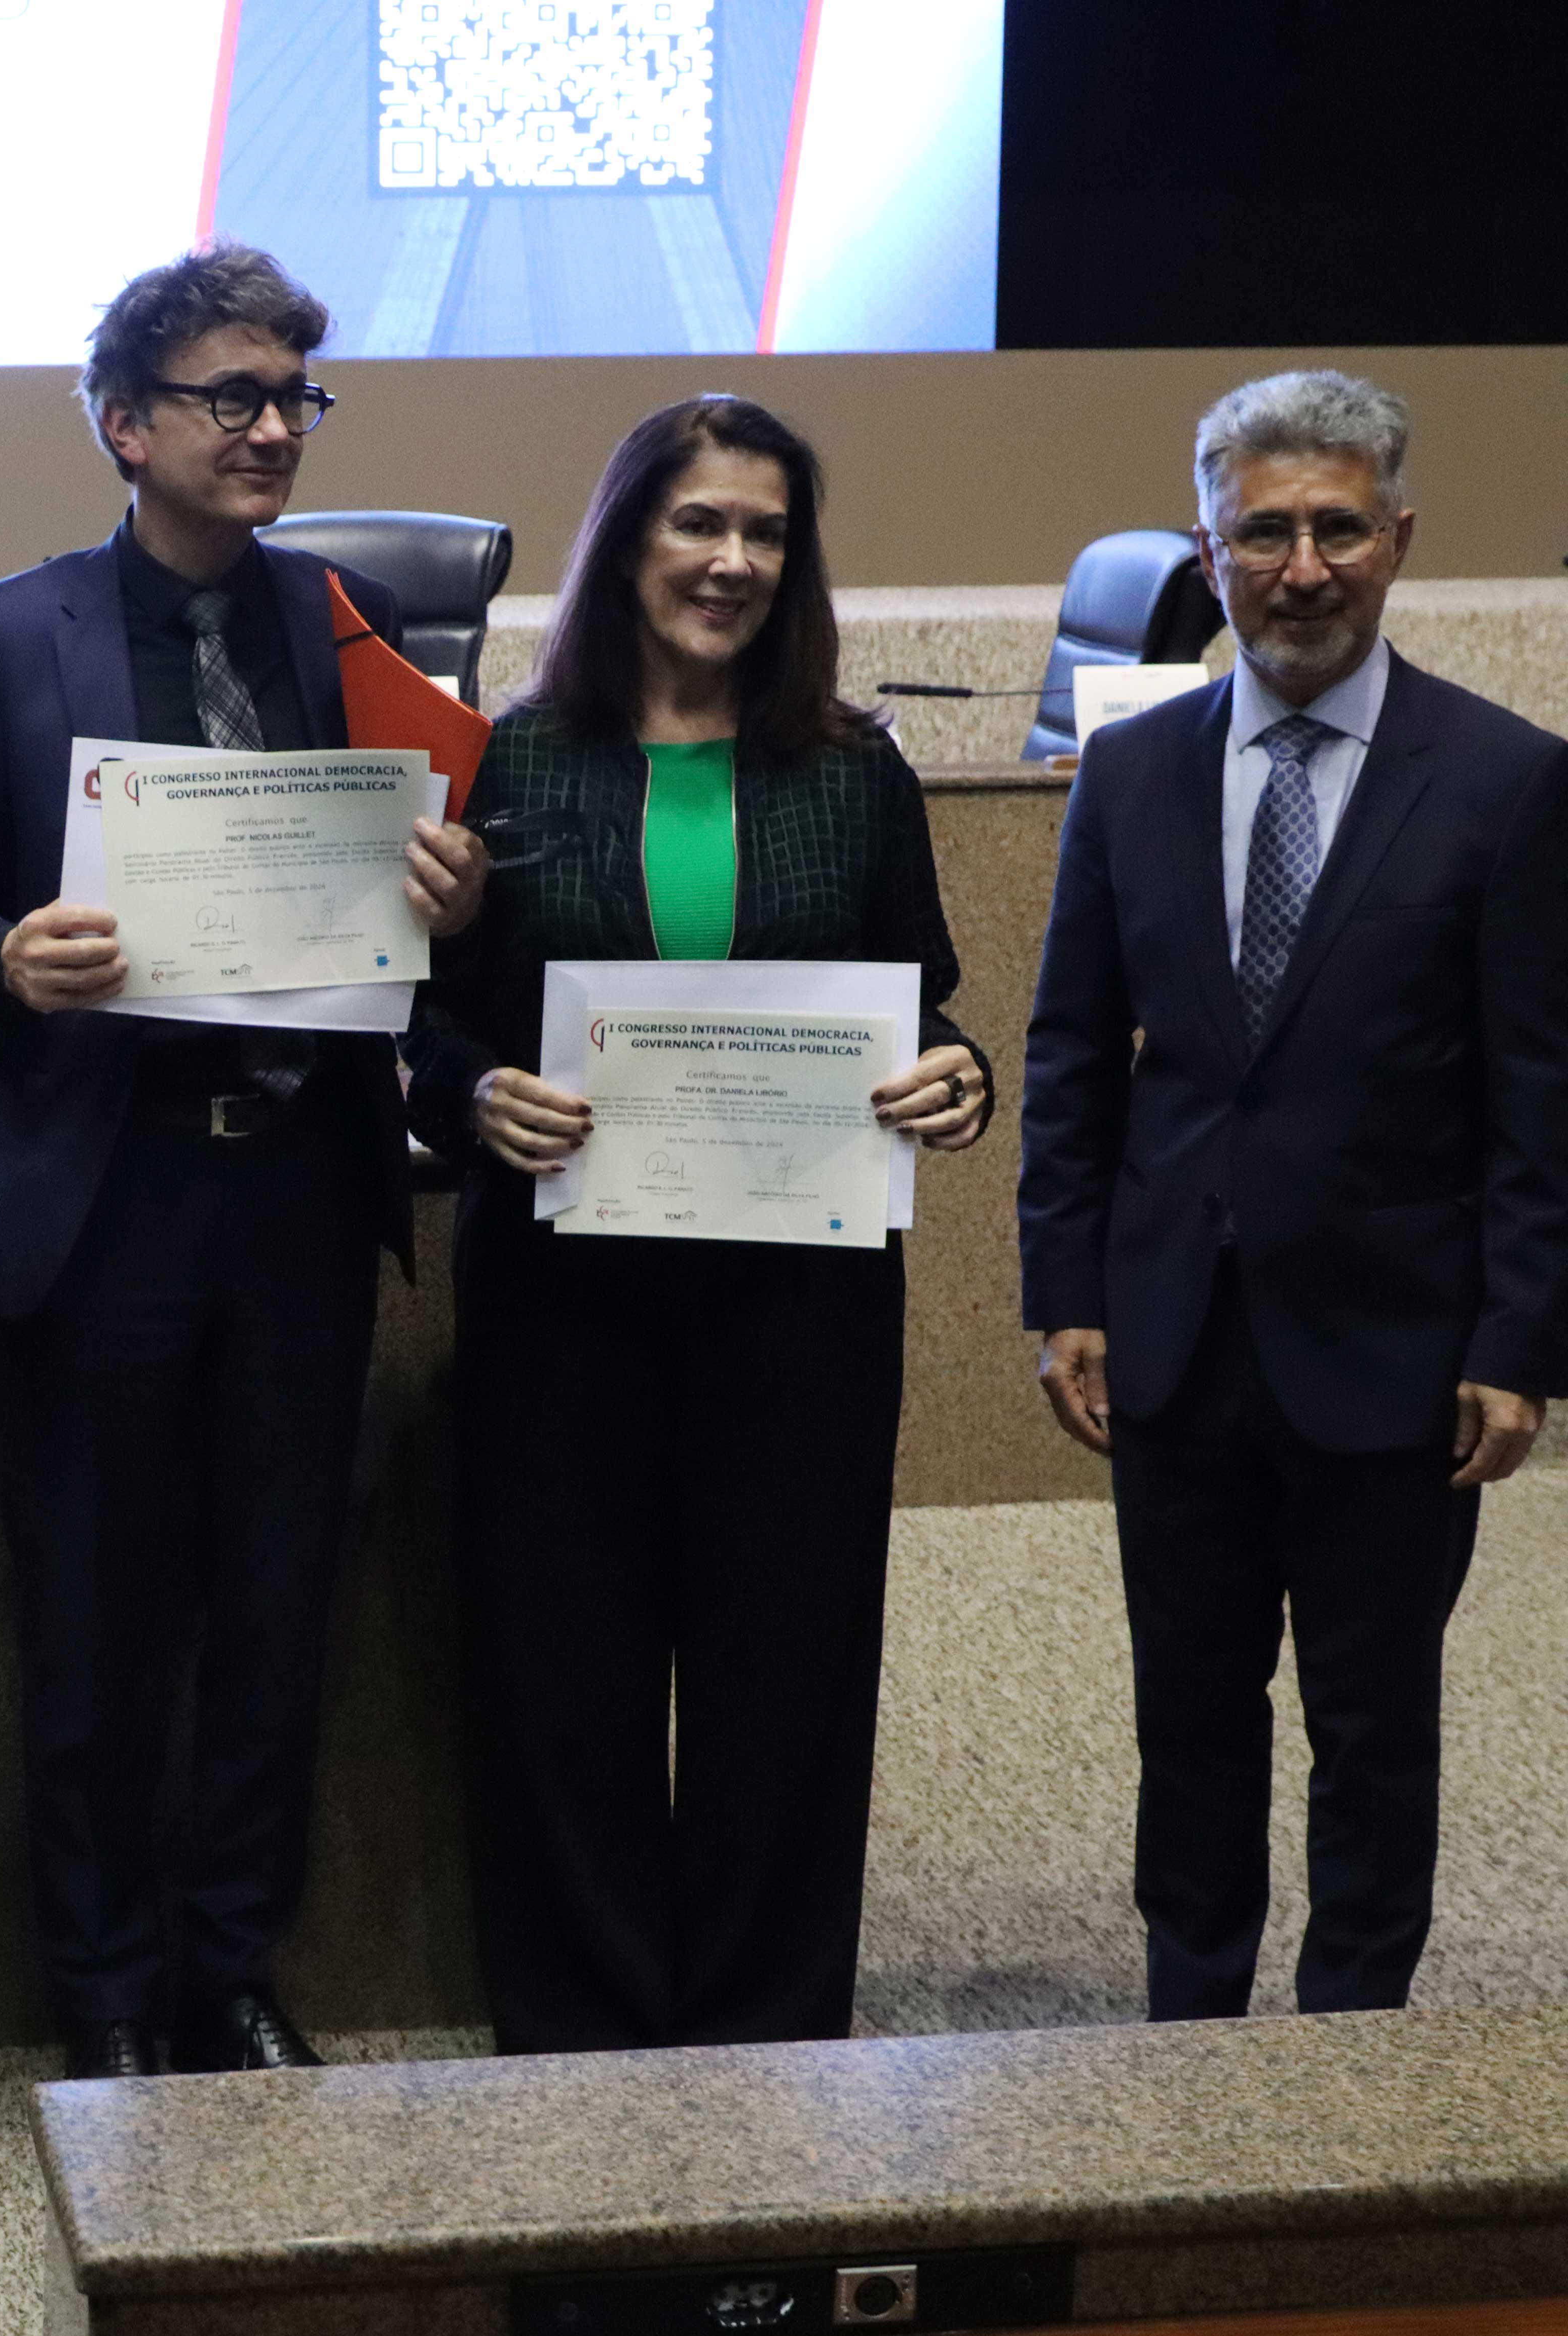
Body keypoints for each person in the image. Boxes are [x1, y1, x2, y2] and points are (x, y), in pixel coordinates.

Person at [0, 247, 487, 2080]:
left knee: (276, 1608)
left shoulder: (350, 619)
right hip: (113, 1187)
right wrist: (5, 956)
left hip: (305, 1183)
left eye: (295, 397)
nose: (272, 429)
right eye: (231, 397)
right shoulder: (11, 634)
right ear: (124, 426)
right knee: (91, 1617)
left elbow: (428, 869)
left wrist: (457, 888)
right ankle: (101, 1995)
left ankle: (231, 1968)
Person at [405, 393, 991, 2056]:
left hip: (799, 1310)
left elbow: (928, 1011)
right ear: (627, 542)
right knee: (562, 1673)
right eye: (698, 522)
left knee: (785, 1671)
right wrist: (473, 1094)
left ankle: (765, 2032)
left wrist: (961, 1078)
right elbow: (424, 1023)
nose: (732, 561)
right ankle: (584, 2034)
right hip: (562, 1302)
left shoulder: (854, 769)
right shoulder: (508, 761)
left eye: (765, 533)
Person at [1018, 370, 1568, 2022]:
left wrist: (1521, 1339)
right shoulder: (1132, 773)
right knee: (1189, 1711)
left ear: (1400, 539)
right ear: (1211, 550)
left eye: (1339, 530)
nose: (1303, 569)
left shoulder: (1508, 781)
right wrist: (1067, 1291)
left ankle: (1352, 2042)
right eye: (1265, 534)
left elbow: (1541, 1093)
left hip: (1400, 1351)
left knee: (1373, 1722)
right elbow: (1072, 1054)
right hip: (1174, 1334)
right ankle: (1190, 2016)